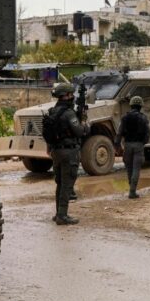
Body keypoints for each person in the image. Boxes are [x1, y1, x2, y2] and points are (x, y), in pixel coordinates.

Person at [45, 81, 88, 225]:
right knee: (67, 184)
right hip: (69, 152)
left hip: (56, 151)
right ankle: (62, 216)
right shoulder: (69, 113)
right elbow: (79, 132)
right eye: (71, 94)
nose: (73, 97)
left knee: (60, 183)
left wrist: (49, 147)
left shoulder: (52, 111)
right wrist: (85, 123)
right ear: (67, 95)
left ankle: (58, 213)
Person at [114, 96, 150, 199]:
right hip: (138, 145)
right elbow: (148, 133)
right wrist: (143, 143)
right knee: (136, 169)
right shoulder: (143, 118)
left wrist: (117, 145)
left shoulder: (124, 117)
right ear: (141, 106)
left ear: (131, 105)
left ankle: (132, 188)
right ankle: (132, 191)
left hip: (127, 145)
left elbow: (119, 133)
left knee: (129, 168)